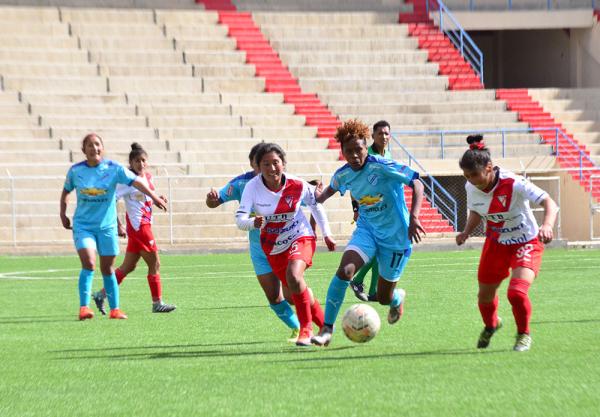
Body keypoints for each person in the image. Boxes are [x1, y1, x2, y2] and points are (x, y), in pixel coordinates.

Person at [311, 119, 425, 347]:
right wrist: (317, 194)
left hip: (395, 237)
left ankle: (397, 298)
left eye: (358, 150)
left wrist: (414, 217)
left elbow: (418, 182)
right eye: (348, 151)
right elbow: (323, 196)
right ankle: (326, 329)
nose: (354, 155)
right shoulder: (343, 175)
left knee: (383, 297)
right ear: (342, 152)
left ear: (366, 147)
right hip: (367, 231)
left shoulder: (382, 165)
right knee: (345, 271)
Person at [455, 134, 558, 352]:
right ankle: (491, 325)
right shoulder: (470, 186)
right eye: (466, 175)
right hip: (496, 244)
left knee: (517, 293)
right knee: (484, 296)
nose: (471, 180)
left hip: (526, 241)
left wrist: (547, 225)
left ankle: (523, 335)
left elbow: (550, 202)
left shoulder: (514, 183)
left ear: (489, 167)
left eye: (474, 174)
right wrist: (465, 232)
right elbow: (475, 210)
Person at [235, 143, 336, 346]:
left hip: (300, 236)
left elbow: (316, 206)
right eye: (266, 164)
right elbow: (240, 219)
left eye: (276, 163)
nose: (272, 168)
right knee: (295, 290)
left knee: (294, 275)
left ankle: (305, 330)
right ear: (258, 166)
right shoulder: (252, 187)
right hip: (273, 247)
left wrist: (327, 234)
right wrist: (251, 223)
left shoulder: (297, 184)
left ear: (283, 163)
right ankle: (325, 328)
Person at [60, 133, 167, 321]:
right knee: (92, 262)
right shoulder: (77, 171)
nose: (94, 148)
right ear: (83, 150)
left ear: (103, 147)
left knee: (119, 268)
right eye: (90, 145)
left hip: (108, 227)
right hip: (115, 226)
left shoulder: (119, 170)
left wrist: (156, 198)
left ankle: (108, 302)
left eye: (97, 144)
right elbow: (67, 190)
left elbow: (140, 187)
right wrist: (62, 213)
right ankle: (156, 303)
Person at [206, 142, 301, 342]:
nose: (268, 168)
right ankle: (298, 328)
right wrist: (212, 199)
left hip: (284, 246)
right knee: (274, 297)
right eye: (262, 163)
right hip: (260, 250)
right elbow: (215, 202)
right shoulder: (243, 184)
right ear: (253, 164)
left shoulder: (284, 182)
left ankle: (313, 323)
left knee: (292, 295)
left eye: (271, 162)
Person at [92, 143, 176, 315]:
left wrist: (157, 198)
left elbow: (144, 199)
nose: (141, 164)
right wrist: (117, 224)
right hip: (140, 228)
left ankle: (101, 295)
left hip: (140, 228)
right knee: (155, 264)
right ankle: (157, 303)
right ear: (131, 162)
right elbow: (111, 201)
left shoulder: (148, 178)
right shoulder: (127, 181)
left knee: (127, 268)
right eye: (137, 161)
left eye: (143, 160)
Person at [350, 120, 393, 302]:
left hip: (384, 212)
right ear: (372, 136)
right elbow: (355, 185)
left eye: (386, 133)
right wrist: (355, 209)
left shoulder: (388, 154)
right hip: (370, 212)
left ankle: (371, 288)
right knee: (378, 251)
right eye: (380, 133)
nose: (383, 136)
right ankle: (360, 281)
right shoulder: (368, 156)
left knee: (380, 252)